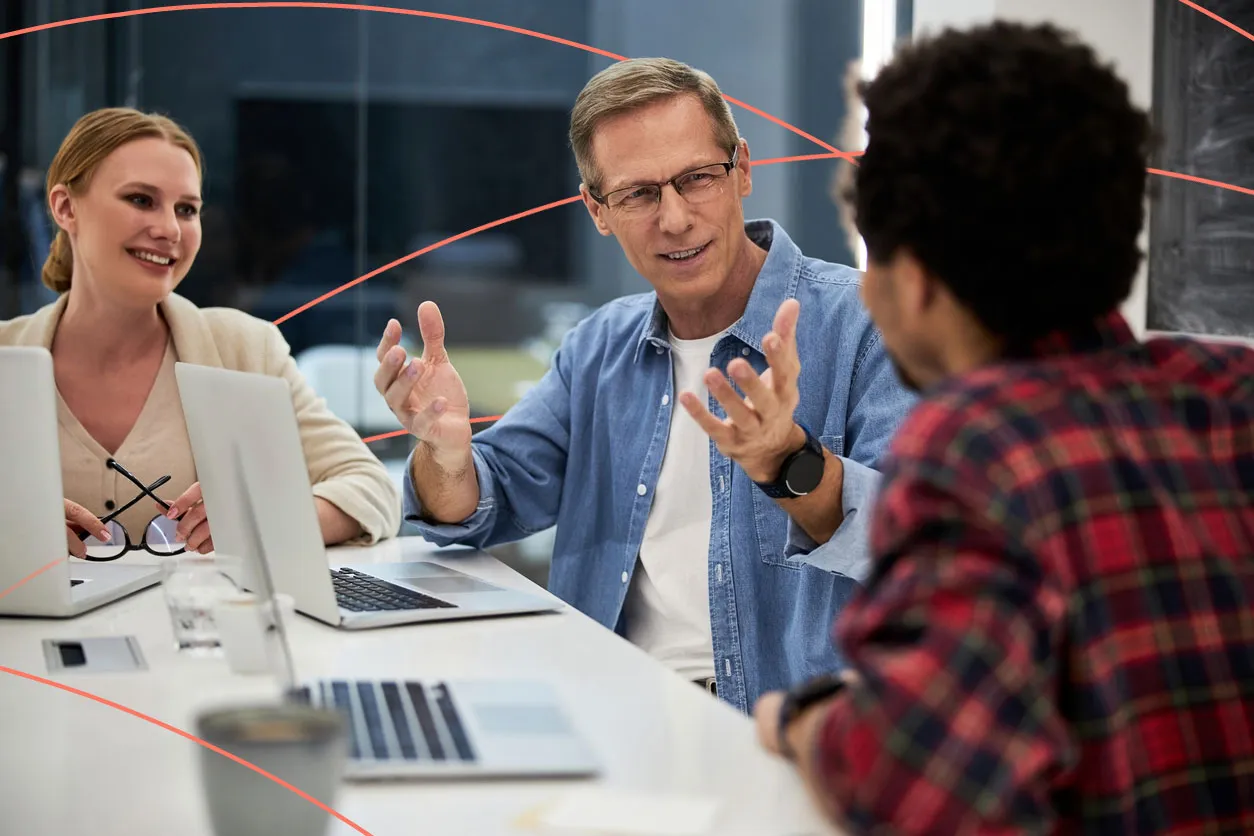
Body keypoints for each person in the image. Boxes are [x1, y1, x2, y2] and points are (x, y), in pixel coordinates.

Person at [755, 21, 1254, 834]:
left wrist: (799, 719)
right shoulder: (1230, 394)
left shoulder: (976, 447)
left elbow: (909, 788)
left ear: (913, 283)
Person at [373, 57, 917, 712]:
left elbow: (912, 544)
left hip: (789, 737)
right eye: (638, 194)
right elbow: (477, 505)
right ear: (598, 210)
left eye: (697, 179)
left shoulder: (864, 322)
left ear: (742, 169)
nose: (676, 217)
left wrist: (789, 463)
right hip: (609, 711)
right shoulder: (600, 347)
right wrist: (446, 452)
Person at [0, 107, 401, 561]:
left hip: (202, 628)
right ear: (65, 207)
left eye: (186, 209)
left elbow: (372, 488)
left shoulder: (245, 350)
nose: (169, 229)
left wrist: (266, 517)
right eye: (140, 200)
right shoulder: (5, 354)